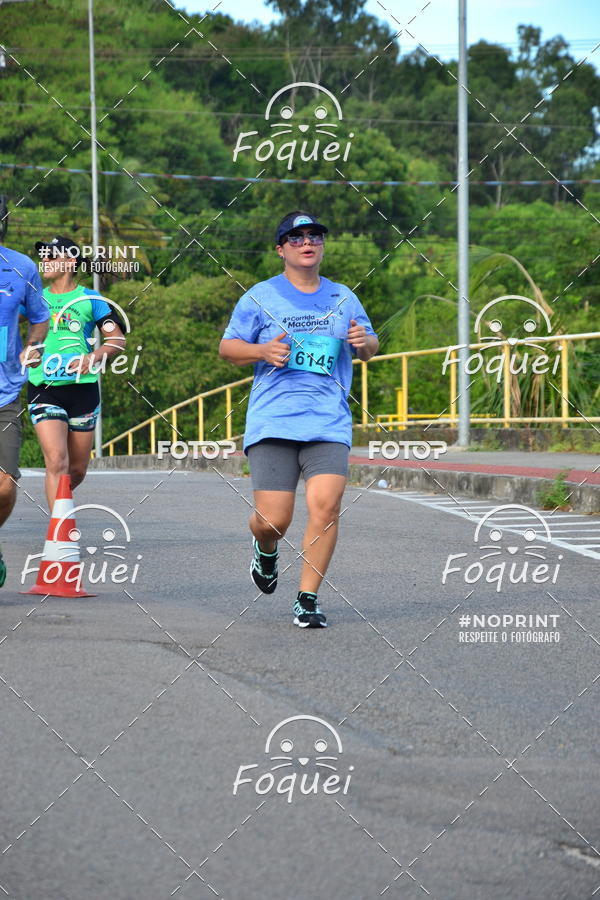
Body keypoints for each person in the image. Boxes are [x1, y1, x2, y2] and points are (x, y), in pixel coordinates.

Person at [219, 211, 379, 628]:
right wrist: (261, 351)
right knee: (273, 521)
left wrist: (364, 342)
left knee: (326, 507)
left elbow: (369, 345)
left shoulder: (342, 297)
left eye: (314, 236)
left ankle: (307, 599)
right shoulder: (260, 296)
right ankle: (265, 548)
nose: (307, 243)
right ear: (281, 249)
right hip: (274, 421)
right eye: (296, 237)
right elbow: (227, 348)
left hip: (327, 421)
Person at [28, 236, 126, 509]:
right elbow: (7, 324)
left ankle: (60, 502)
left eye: (51, 255)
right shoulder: (35, 298)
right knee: (56, 461)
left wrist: (93, 356)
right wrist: (20, 353)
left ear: (70, 261)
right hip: (44, 388)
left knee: (77, 469)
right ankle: (59, 525)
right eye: (42, 256)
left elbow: (117, 340)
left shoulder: (91, 299)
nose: (44, 260)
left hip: (83, 391)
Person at [0, 242, 49, 585]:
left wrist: (33, 348)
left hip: (5, 394)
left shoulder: (21, 267)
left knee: (5, 486)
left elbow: (40, 318)